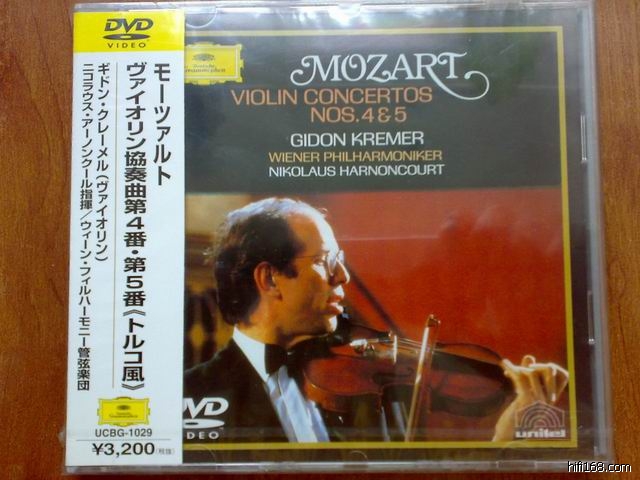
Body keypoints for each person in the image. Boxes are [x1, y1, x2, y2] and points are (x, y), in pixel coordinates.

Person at [183, 197, 568, 443]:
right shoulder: (190, 399)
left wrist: (505, 442)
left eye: (341, 262)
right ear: (269, 279)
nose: (342, 277)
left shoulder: (374, 385)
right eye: (326, 262)